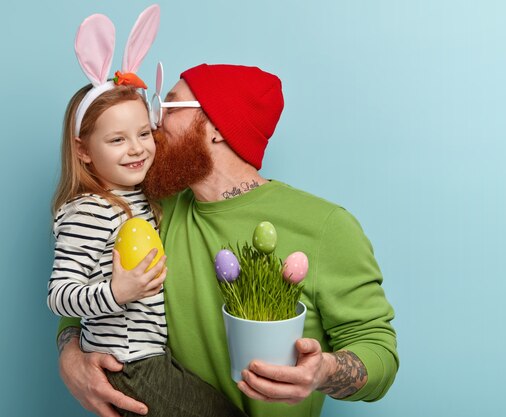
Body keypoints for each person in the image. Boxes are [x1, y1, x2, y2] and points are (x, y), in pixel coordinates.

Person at [57, 63, 399, 417]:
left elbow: (378, 353)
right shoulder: (153, 210)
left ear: (217, 128)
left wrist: (324, 370)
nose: (153, 124)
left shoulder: (326, 226)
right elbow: (90, 274)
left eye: (167, 108)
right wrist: (71, 357)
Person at [49, 8, 246, 417]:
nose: (137, 148)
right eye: (117, 139)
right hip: (129, 364)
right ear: (83, 151)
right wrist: (117, 293)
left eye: (144, 133)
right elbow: (59, 296)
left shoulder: (139, 196)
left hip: (152, 354)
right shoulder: (89, 210)